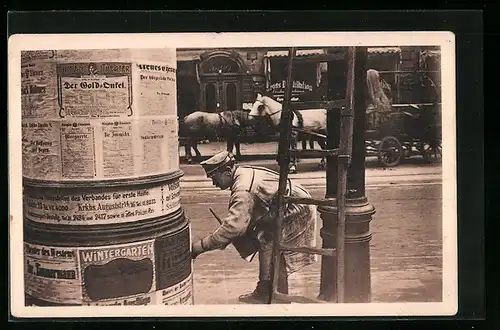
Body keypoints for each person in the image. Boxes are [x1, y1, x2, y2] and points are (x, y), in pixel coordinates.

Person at [191, 150, 317, 303]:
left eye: (214, 177)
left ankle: (275, 296)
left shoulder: (242, 190)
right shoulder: (240, 172)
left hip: (296, 208)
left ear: (228, 171)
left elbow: (234, 227)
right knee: (266, 241)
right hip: (287, 203)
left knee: (274, 245)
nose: (214, 183)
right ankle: (267, 291)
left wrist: (200, 246)